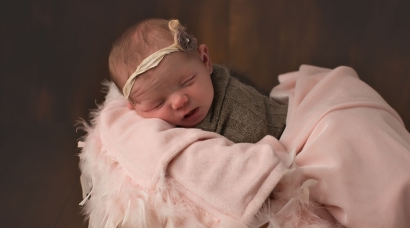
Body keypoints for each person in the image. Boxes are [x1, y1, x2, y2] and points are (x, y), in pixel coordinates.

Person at [108, 18, 288, 144]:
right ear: (132, 106)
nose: (179, 101)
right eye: (158, 103)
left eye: (187, 82)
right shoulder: (132, 127)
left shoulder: (241, 118)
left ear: (205, 62)